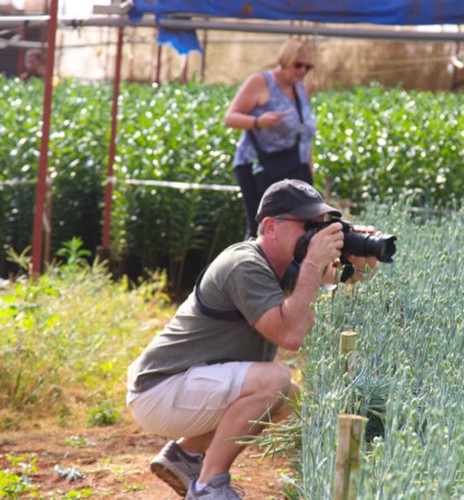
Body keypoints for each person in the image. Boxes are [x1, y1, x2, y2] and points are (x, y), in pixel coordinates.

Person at [126, 179, 378, 499]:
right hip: (159, 388)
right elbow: (292, 334)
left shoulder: (280, 263)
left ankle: (185, 458)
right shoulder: (244, 265)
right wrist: (315, 260)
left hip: (179, 384)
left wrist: (360, 259)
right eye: (307, 226)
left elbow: (336, 279)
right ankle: (208, 486)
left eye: (320, 226)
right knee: (274, 380)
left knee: (289, 395)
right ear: (271, 227)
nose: (314, 234)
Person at [224, 38, 317, 238]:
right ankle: (251, 267)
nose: (302, 71)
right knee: (263, 230)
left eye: (307, 67)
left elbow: (303, 135)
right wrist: (259, 122)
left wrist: (310, 170)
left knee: (298, 230)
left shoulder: (299, 88)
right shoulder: (261, 82)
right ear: (285, 60)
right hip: (260, 167)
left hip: (293, 167)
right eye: (298, 65)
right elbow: (230, 118)